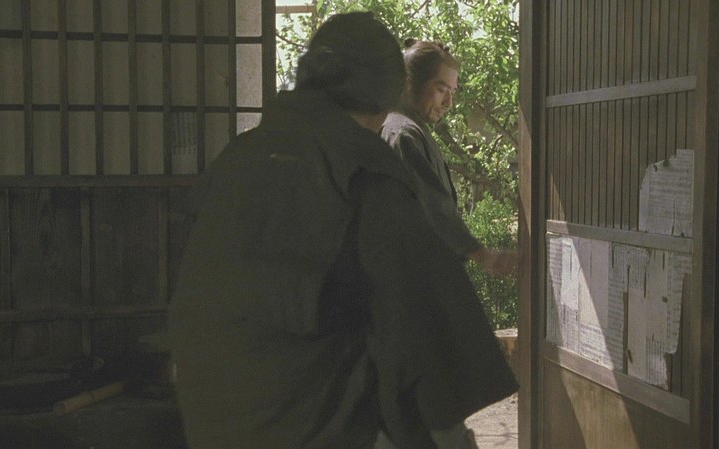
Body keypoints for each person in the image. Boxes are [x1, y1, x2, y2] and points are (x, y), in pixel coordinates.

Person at [168, 12, 516, 449]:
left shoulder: (236, 158)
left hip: (211, 418)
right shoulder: (363, 171)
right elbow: (422, 325)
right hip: (311, 427)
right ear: (386, 94)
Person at [380, 39, 517, 277]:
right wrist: (482, 254)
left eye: (452, 93)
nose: (448, 103)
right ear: (410, 83)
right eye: (441, 90)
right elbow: (431, 206)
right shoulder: (402, 134)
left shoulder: (410, 130)